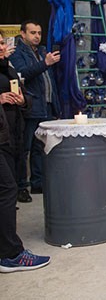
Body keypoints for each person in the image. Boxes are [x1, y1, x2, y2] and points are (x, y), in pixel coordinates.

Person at [0, 31, 50, 273]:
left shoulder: (6, 68)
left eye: (2, 42)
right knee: (8, 190)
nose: (2, 47)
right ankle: (10, 255)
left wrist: (22, 101)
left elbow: (24, 94)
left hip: (10, 137)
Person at [9, 20, 60, 202]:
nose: (37, 36)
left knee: (40, 147)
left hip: (45, 105)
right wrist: (45, 63)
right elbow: (22, 74)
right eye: (32, 33)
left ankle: (37, 182)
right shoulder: (17, 53)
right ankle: (21, 186)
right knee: (25, 148)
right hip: (30, 106)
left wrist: (55, 105)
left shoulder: (42, 51)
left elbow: (49, 81)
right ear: (23, 34)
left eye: (39, 33)